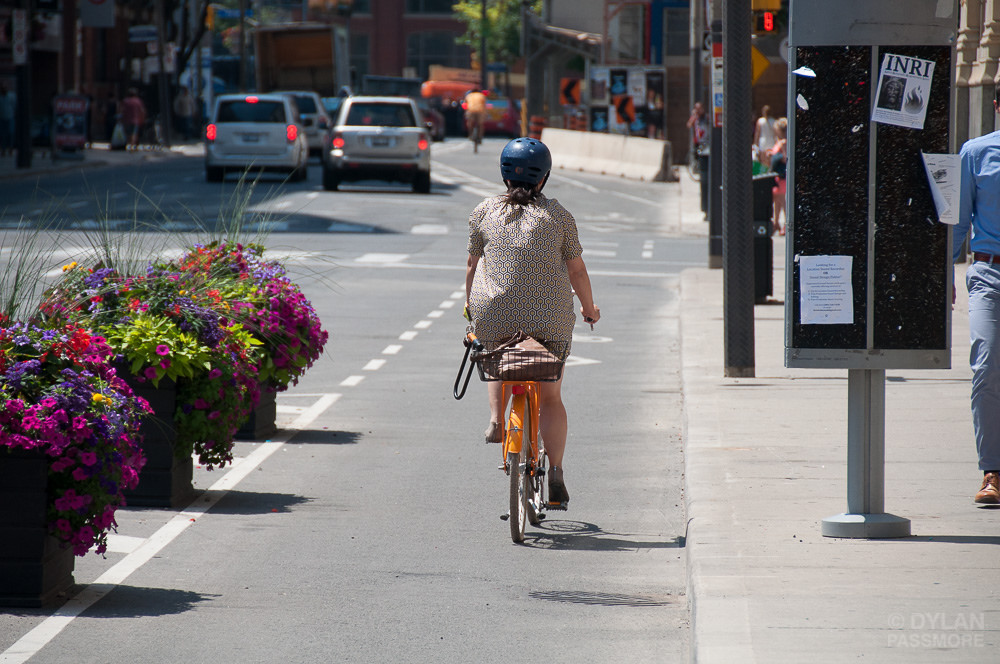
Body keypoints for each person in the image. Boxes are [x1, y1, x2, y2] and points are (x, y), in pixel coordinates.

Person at [465, 137, 601, 507]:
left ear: (504, 174)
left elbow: (473, 267)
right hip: (549, 319)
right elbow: (576, 271)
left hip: (493, 313)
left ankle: (496, 419)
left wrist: (470, 309)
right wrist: (589, 308)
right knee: (552, 395)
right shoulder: (559, 216)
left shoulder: (483, 211)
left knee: (497, 356)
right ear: (545, 177)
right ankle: (555, 471)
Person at [954, 81, 1000, 504]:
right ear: (997, 104)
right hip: (989, 273)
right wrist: (941, 274)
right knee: (986, 368)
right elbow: (958, 218)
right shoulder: (976, 152)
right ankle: (992, 471)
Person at [768, 117, 788, 235]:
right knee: (776, 201)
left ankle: (786, 225)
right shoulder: (779, 141)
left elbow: (785, 158)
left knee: (782, 201)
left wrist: (777, 155)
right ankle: (776, 223)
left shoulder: (784, 142)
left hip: (781, 177)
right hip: (776, 176)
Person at [0, 83, 15, 157]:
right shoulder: (0, 98)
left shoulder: (10, 96)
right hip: (2, 118)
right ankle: (3, 149)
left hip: (10, 117)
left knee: (10, 134)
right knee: (3, 135)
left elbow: (14, 106)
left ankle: (10, 148)